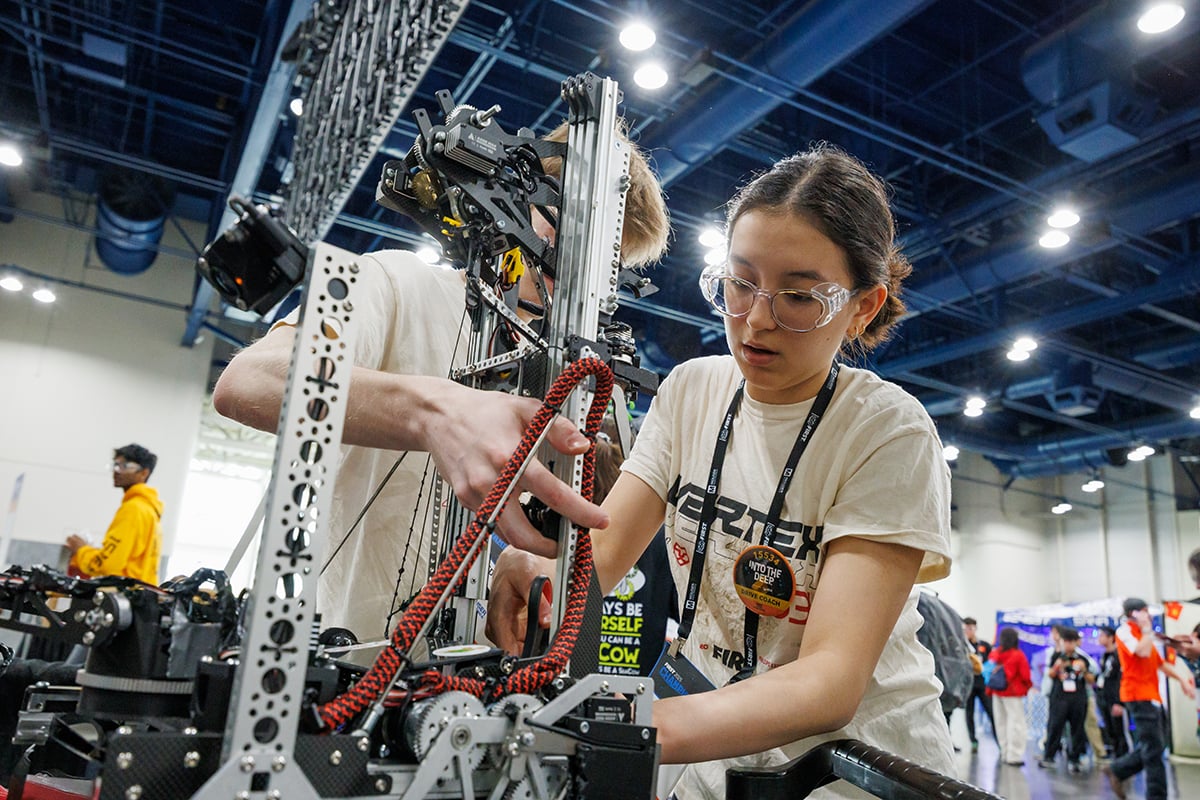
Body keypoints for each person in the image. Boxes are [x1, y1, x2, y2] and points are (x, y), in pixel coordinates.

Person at [487, 143, 956, 799]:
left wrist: (630, 726)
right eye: (739, 284)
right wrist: (542, 572)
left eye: (799, 296)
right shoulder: (691, 392)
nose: (756, 321)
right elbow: (602, 557)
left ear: (863, 307)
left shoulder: (885, 431)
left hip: (851, 766)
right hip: (711, 738)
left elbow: (831, 680)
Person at [213, 120, 670, 643]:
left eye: (608, 260)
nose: (577, 268)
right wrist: (430, 411)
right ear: (522, 201)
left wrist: (515, 567)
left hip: (460, 685)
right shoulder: (398, 279)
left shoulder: (564, 375)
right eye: (569, 231)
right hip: (337, 654)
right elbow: (248, 381)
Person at [1102, 597, 1197, 800]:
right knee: (1153, 751)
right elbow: (1142, 651)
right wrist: (1146, 630)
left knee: (1157, 744)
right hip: (1138, 696)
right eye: (1144, 611)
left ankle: (1118, 770)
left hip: (1153, 696)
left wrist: (1182, 679)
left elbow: (1159, 663)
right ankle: (1156, 795)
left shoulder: (1145, 634)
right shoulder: (1125, 631)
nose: (1149, 615)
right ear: (1133, 613)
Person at [64, 444, 162, 584]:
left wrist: (81, 551)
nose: (117, 471)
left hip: (126, 595)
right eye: (116, 465)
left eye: (125, 466)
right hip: (142, 596)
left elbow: (108, 566)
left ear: (144, 473)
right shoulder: (149, 509)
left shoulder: (133, 509)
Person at [1037, 627, 1093, 773]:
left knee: (1077, 728)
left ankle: (1075, 758)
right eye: (1065, 641)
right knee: (1055, 726)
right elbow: (1049, 674)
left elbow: (1092, 679)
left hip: (1077, 698)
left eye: (1071, 642)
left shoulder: (1083, 659)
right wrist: (1057, 668)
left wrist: (1083, 670)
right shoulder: (1056, 656)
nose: (1068, 645)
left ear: (1076, 643)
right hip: (1059, 698)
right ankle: (1049, 756)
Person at [988, 627, 1033, 766]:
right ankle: (1014, 755)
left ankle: (1004, 752)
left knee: (1001, 723)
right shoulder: (1018, 655)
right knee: (1016, 723)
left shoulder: (995, 654)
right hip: (1012, 694)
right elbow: (1025, 676)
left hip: (996, 691)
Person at [962, 616, 998, 753]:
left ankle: (999, 742)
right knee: (969, 713)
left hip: (983, 685)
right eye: (966, 629)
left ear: (975, 629)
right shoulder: (962, 646)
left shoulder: (984, 645)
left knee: (991, 712)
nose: (968, 631)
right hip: (969, 685)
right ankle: (973, 741)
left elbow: (992, 663)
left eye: (971, 628)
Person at [1095, 625, 1129, 760]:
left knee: (1119, 729)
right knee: (1109, 728)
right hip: (1104, 696)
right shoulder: (1105, 656)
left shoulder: (1119, 655)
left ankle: (1124, 757)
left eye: (1102, 635)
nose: (1099, 638)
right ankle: (1116, 756)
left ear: (1110, 638)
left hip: (1116, 698)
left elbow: (1121, 679)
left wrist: (1119, 702)